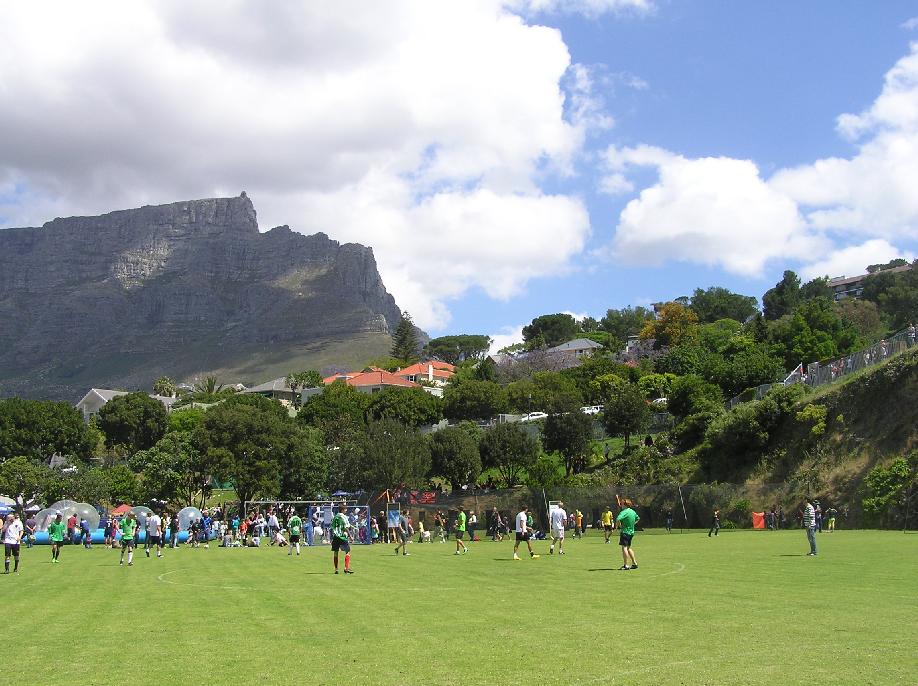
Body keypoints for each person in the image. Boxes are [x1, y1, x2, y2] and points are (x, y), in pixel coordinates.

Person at [615, 499, 639, 570]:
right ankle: (634, 563)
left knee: (624, 548)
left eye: (622, 504)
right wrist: (632, 524)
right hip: (631, 532)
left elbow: (618, 519)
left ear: (625, 505)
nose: (621, 505)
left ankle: (626, 565)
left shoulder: (624, 512)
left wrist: (617, 526)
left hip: (625, 532)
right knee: (628, 548)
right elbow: (637, 518)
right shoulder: (632, 511)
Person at [331, 505, 353, 574]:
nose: (346, 510)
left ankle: (336, 569)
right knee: (347, 552)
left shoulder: (335, 517)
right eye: (345, 509)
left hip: (336, 536)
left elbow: (332, 526)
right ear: (342, 510)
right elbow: (346, 527)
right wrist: (350, 536)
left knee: (335, 552)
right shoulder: (343, 517)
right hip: (342, 536)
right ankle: (346, 568)